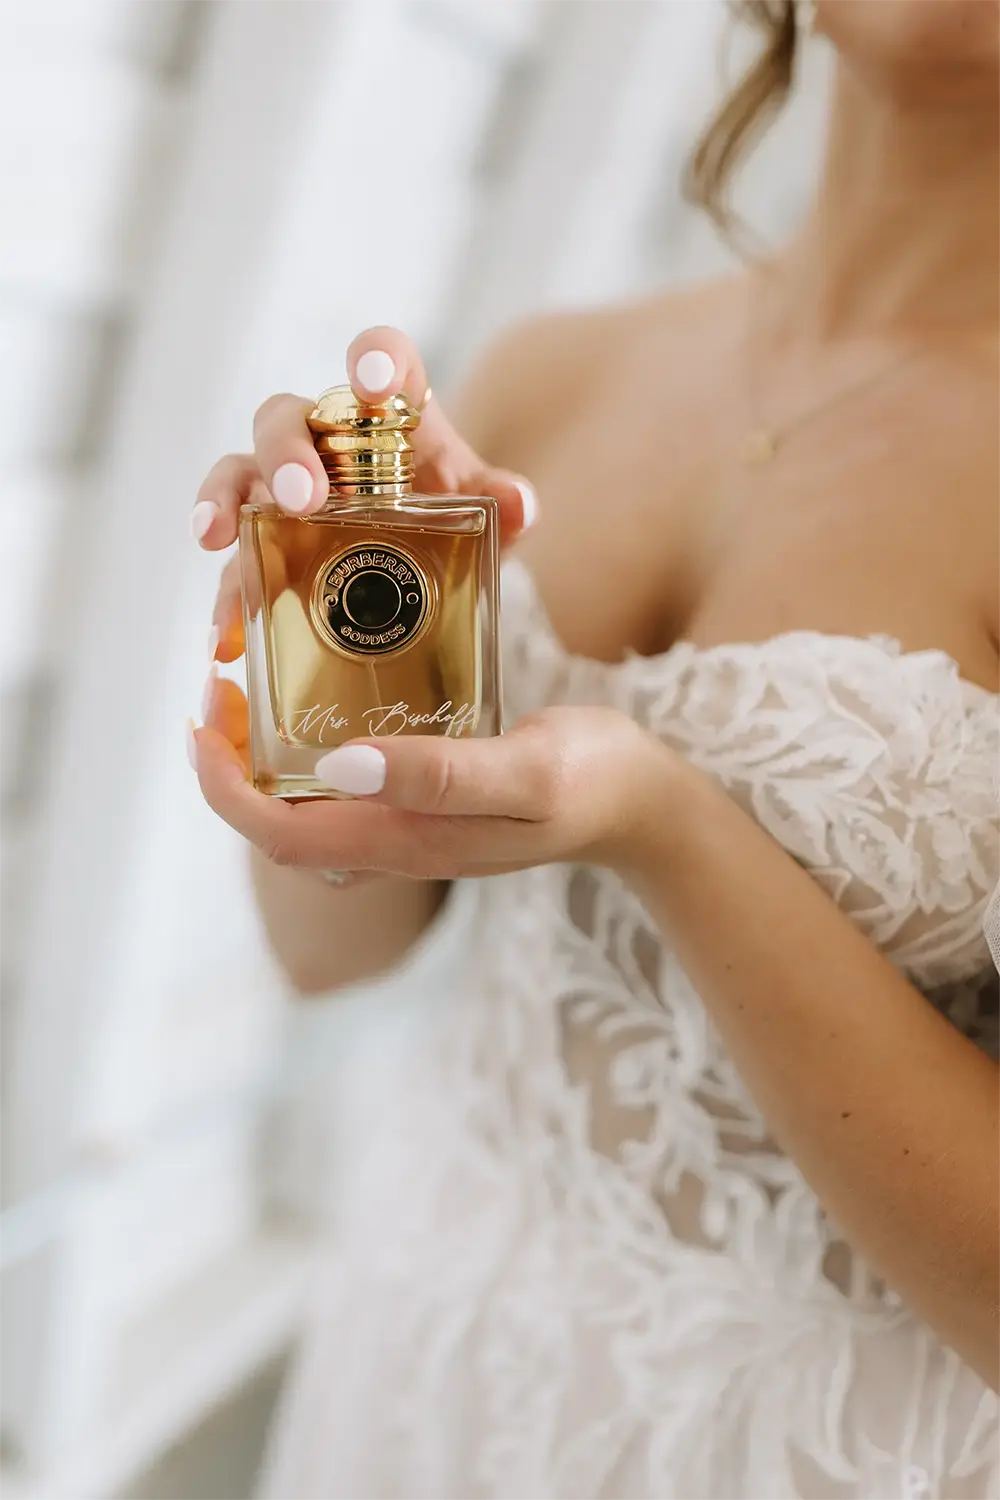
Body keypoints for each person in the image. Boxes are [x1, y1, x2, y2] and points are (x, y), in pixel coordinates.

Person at [188, 1, 1000, 1494]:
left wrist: (664, 821)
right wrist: (335, 616)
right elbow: (331, 950)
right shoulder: (557, 371)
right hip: (422, 1360)